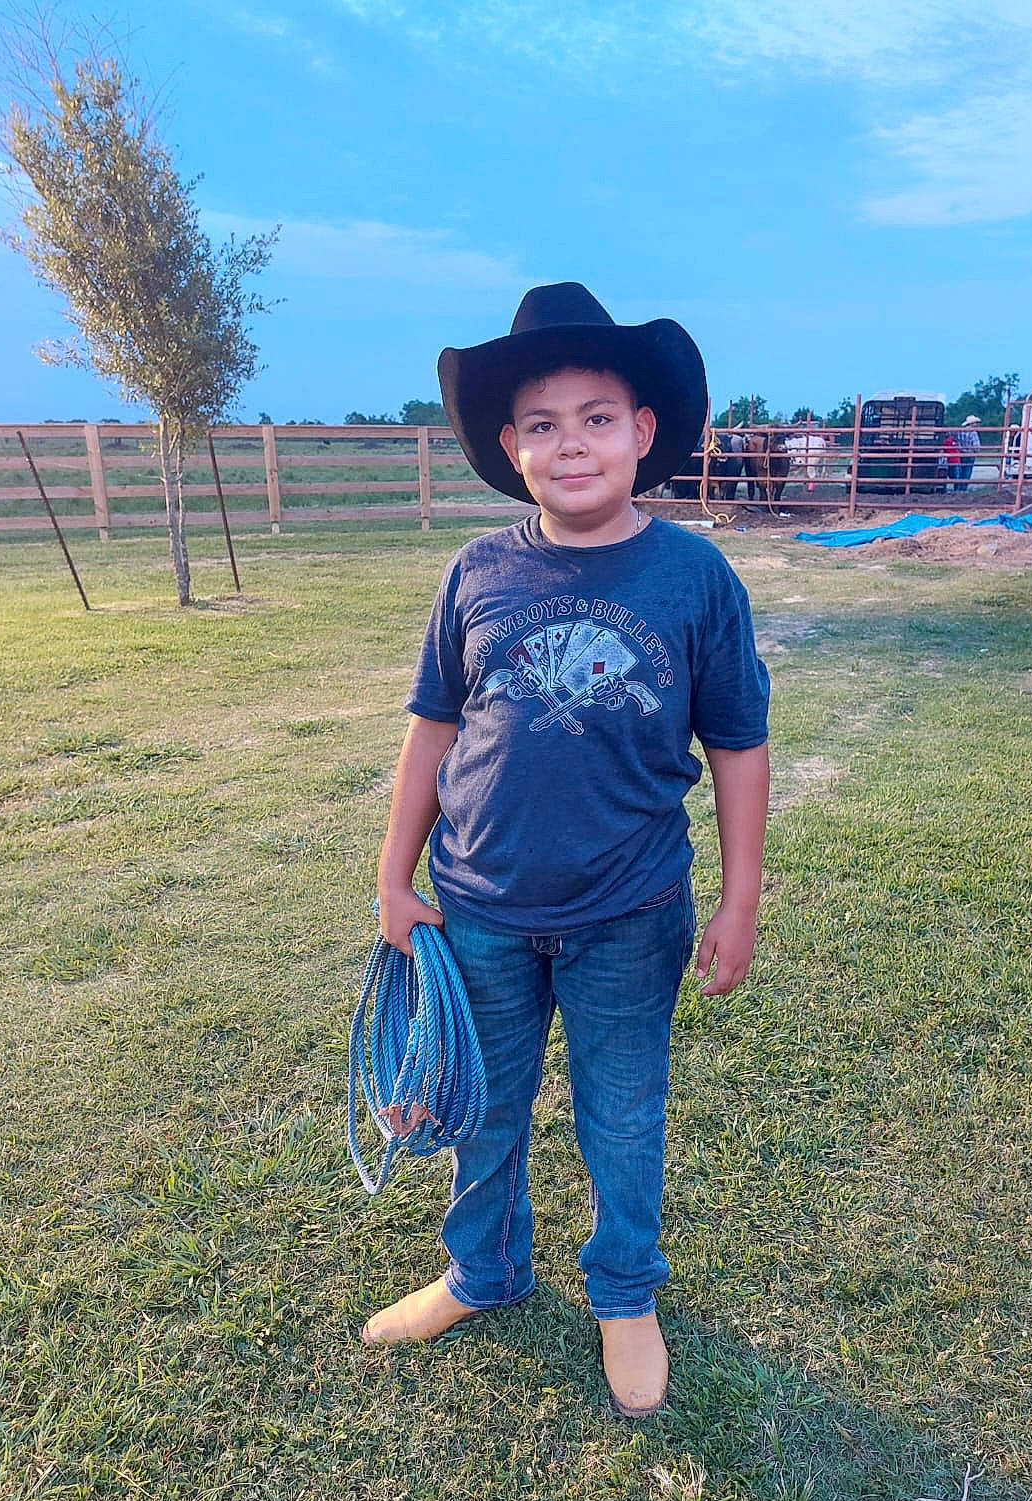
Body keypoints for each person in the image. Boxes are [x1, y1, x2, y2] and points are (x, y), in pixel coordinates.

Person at [360, 283, 771, 1420]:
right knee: (480, 1106)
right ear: (511, 448)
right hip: (477, 906)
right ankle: (481, 1272)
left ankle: (625, 1295)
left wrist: (738, 902)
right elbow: (432, 731)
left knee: (622, 1112)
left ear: (644, 432)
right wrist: (396, 875)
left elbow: (739, 744)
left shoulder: (695, 580)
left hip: (630, 915)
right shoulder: (477, 574)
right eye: (542, 423)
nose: (571, 441)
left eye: (597, 416)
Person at [955, 415, 981, 491]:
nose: (977, 425)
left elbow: (956, 441)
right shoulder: (973, 433)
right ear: (972, 424)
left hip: (961, 454)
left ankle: (958, 489)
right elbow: (976, 446)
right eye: (975, 423)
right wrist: (976, 452)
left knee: (960, 472)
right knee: (967, 472)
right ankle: (963, 489)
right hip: (970, 454)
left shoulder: (960, 431)